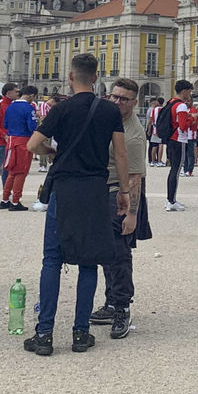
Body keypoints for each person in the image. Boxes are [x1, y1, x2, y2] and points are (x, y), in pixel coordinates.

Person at [24, 53, 128, 356]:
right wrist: (123, 190)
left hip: (65, 189)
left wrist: (53, 153)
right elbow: (120, 154)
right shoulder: (109, 110)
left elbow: (32, 145)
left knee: (52, 259)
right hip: (95, 189)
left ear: (71, 77)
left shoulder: (61, 109)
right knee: (88, 259)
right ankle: (81, 333)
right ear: (96, 77)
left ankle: (44, 334)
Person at [90, 78, 149, 340]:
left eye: (123, 98)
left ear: (134, 102)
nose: (116, 101)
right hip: (103, 190)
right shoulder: (109, 118)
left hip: (121, 193)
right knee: (105, 251)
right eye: (113, 96)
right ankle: (112, 301)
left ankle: (122, 307)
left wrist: (132, 214)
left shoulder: (134, 134)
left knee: (120, 253)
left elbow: (136, 176)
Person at [1, 85, 40, 210]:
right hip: (23, 140)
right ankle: (16, 201)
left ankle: (5, 198)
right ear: (31, 95)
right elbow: (32, 126)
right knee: (21, 172)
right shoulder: (29, 108)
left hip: (11, 139)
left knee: (12, 171)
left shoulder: (10, 106)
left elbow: (5, 124)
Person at [162, 80, 194, 211]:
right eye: (189, 91)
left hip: (171, 138)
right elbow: (183, 126)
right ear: (185, 91)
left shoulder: (171, 102)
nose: (190, 94)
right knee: (176, 169)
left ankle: (170, 199)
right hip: (179, 139)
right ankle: (171, 200)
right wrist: (193, 119)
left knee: (174, 170)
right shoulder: (181, 106)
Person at [146, 97, 165, 167]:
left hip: (154, 128)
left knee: (154, 145)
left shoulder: (154, 110)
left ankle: (152, 161)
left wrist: (148, 129)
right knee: (160, 145)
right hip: (162, 129)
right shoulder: (164, 109)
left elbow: (150, 120)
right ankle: (159, 161)